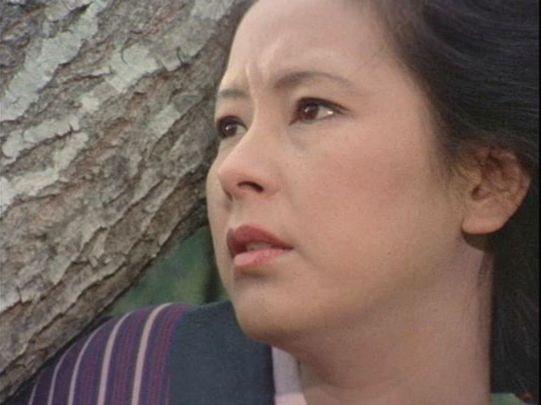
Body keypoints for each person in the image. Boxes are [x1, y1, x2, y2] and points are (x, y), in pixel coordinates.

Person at [19, 0, 538, 404]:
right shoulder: (113, 382)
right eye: (230, 126)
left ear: (487, 182)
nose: (233, 170)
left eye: (313, 109)